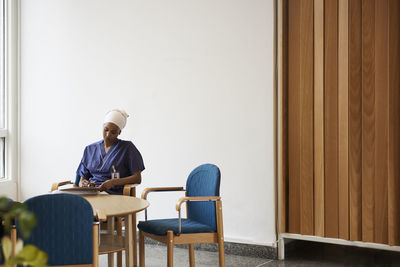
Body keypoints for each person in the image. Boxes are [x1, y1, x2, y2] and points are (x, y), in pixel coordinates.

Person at [77, 109, 144, 194]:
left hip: (112, 194)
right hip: (91, 193)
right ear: (102, 127)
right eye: (106, 129)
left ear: (119, 132)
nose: (108, 135)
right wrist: (83, 184)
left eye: (113, 132)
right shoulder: (89, 149)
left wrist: (113, 182)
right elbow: (82, 179)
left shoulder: (127, 148)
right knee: (58, 195)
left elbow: (137, 178)